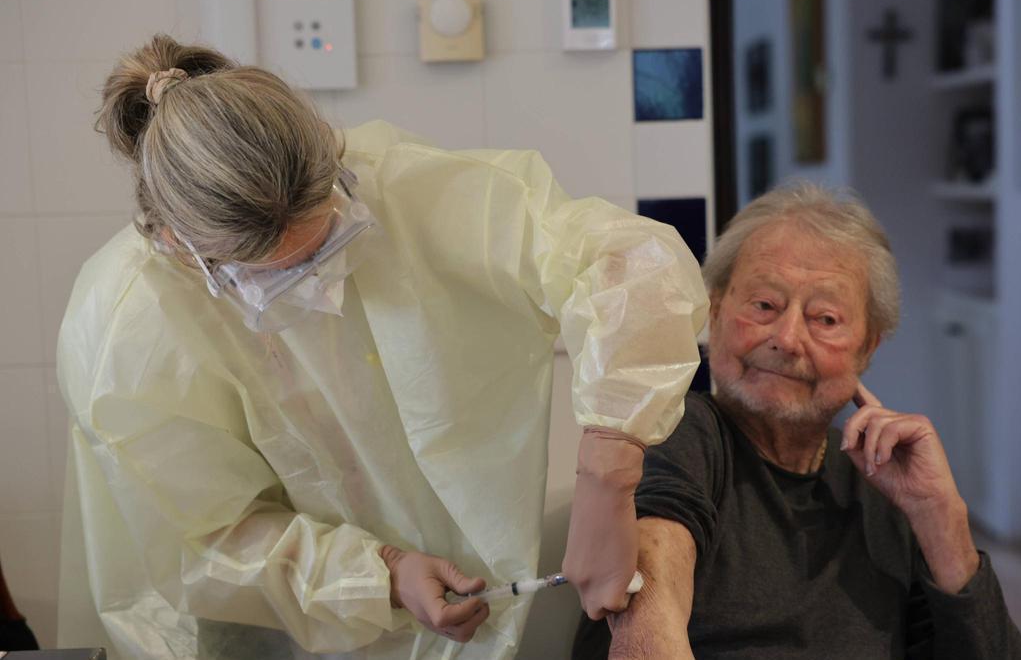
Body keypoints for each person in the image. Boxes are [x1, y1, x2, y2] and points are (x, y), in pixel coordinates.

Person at [55, 35, 708, 659]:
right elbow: (205, 542)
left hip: (476, 618)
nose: (318, 291)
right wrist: (381, 573)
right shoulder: (127, 333)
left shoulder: (400, 186)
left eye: (328, 246)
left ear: (333, 164)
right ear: (179, 243)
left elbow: (631, 262)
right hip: (276, 640)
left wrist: (607, 474)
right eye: (271, 276)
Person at [573, 184, 1021, 659]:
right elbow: (651, 589)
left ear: (868, 346)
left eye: (825, 319)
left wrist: (941, 516)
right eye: (765, 306)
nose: (787, 339)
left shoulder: (883, 484)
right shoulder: (680, 432)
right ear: (716, 309)